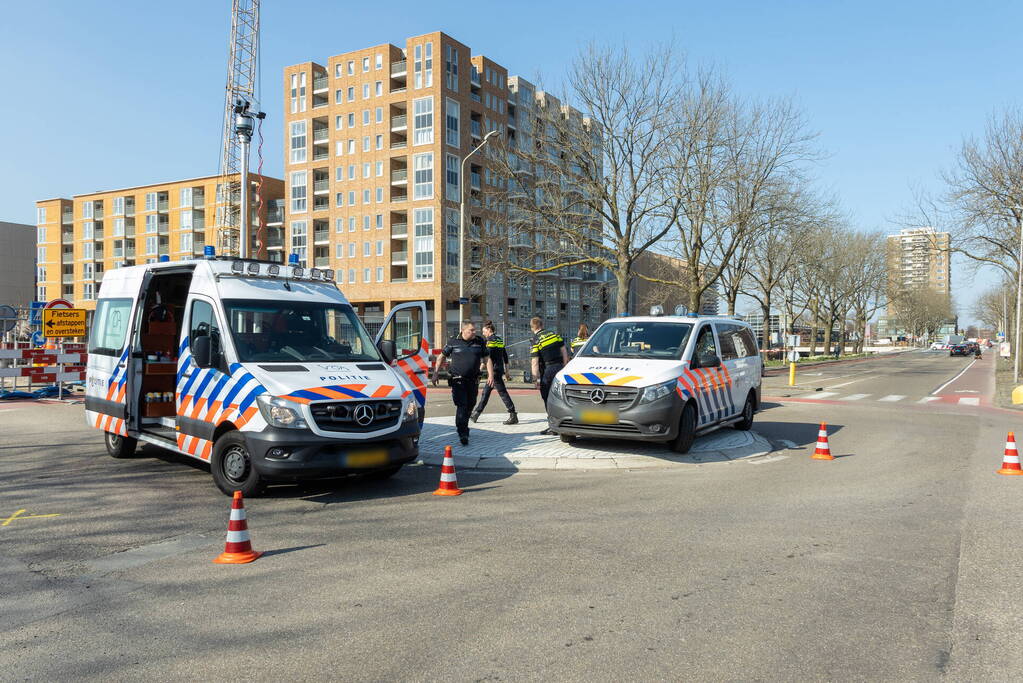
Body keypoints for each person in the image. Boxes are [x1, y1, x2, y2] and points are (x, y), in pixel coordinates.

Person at [431, 320, 494, 446]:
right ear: (463, 330)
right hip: (457, 380)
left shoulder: (480, 341)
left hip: (473, 380)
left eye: (474, 330)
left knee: (471, 403)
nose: (474, 332)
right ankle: (462, 433)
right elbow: (441, 357)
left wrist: (491, 375)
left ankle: (464, 426)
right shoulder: (453, 342)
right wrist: (435, 373)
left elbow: (487, 359)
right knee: (462, 405)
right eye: (471, 330)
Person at [471, 321, 518, 425]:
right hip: (499, 369)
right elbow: (505, 357)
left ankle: (512, 414)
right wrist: (507, 372)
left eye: (484, 331)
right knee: (488, 393)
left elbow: (487, 359)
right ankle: (476, 413)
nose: (483, 333)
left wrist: (478, 371)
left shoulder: (488, 342)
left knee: (496, 393)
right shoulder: (500, 340)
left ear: (489, 330)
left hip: (493, 371)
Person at [530, 316, 570, 435]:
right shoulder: (554, 334)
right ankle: (563, 422)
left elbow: (535, 362)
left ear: (533, 327)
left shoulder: (535, 340)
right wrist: (564, 366)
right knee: (559, 396)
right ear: (542, 325)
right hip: (559, 367)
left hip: (548, 369)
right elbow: (564, 351)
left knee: (547, 397)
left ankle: (553, 426)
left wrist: (535, 379)